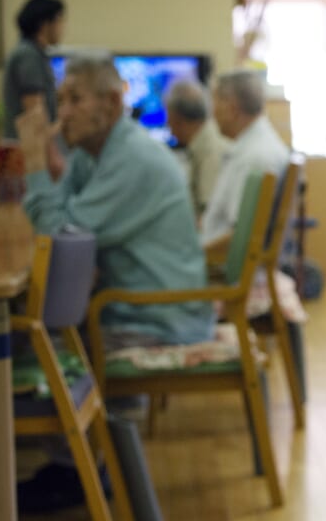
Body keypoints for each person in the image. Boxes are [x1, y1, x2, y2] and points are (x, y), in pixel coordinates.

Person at [17, 56, 215, 349]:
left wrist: (35, 161)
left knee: (23, 345)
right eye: (60, 101)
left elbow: (57, 243)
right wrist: (47, 166)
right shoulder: (91, 153)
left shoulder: (133, 157)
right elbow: (55, 222)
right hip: (132, 310)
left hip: (157, 320)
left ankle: (116, 396)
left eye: (75, 100)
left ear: (111, 102)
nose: (64, 114)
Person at [200, 69, 289, 250]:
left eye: (215, 102)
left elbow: (239, 239)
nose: (212, 114)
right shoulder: (257, 144)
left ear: (231, 109)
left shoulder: (254, 158)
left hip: (217, 265)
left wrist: (193, 256)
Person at [1, 0, 65, 140]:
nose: (62, 28)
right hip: (27, 146)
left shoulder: (35, 53)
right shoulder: (28, 55)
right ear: (45, 24)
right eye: (59, 21)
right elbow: (34, 110)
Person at [164, 78, 228, 218]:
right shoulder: (204, 142)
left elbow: (207, 216)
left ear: (177, 119)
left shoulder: (210, 151)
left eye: (168, 116)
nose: (167, 123)